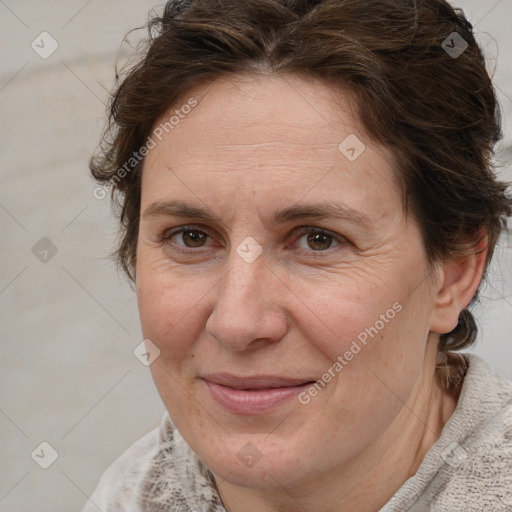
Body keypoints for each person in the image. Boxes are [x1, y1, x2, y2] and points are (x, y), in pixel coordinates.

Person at [84, 0, 512, 510]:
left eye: (318, 240)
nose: (237, 323)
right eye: (192, 237)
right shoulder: (126, 495)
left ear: (454, 272)